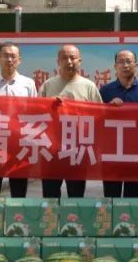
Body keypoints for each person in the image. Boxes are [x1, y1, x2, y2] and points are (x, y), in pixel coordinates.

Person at [39, 44, 103, 198]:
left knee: (76, 196)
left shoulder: (89, 86)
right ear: (58, 62)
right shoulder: (48, 85)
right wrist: (50, 105)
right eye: (64, 58)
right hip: (51, 150)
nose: (69, 62)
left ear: (79, 61)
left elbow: (100, 116)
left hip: (78, 151)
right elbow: (36, 114)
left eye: (73, 58)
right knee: (50, 196)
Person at [0, 42, 38, 197]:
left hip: (19, 143)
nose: (9, 59)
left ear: (19, 60)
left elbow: (34, 113)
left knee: (18, 190)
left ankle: (18, 212)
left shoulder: (28, 84)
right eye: (5, 55)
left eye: (13, 56)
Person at [99, 49, 138, 198]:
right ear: (115, 66)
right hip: (112, 153)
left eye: (129, 61)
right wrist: (108, 108)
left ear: (136, 65)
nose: (125, 65)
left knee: (134, 199)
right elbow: (96, 119)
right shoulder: (105, 91)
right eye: (121, 62)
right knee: (111, 198)